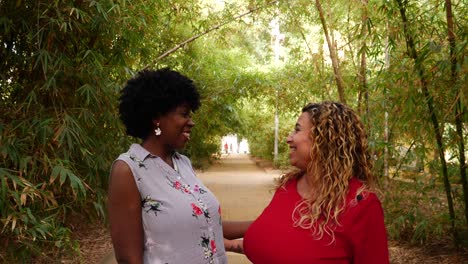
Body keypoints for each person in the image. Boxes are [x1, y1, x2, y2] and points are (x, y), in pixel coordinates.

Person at [107, 68, 246, 264]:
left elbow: (206, 223)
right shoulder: (128, 170)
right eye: (184, 114)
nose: (191, 122)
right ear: (156, 117)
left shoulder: (183, 163)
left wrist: (264, 224)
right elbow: (129, 259)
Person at [243, 101, 389, 264]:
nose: (288, 138)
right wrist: (214, 223)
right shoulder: (289, 185)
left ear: (322, 139)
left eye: (297, 130)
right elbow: (274, 235)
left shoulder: (361, 205)